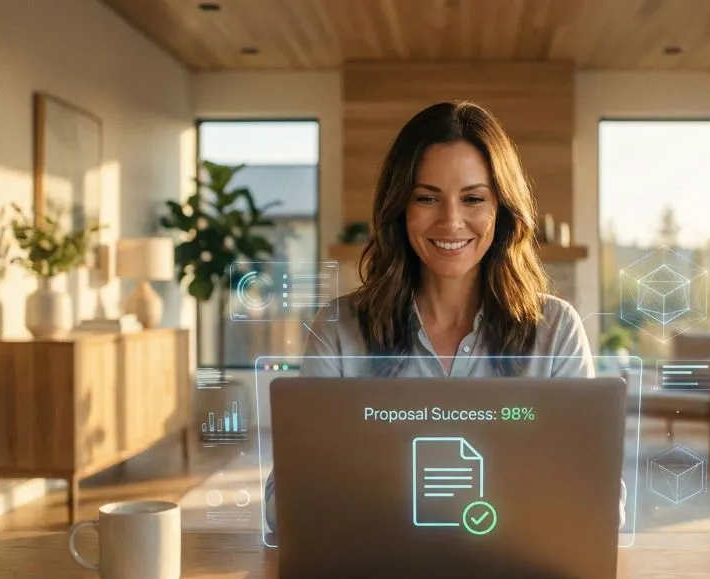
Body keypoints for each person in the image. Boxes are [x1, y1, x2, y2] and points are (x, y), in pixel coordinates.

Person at [263, 101, 625, 530]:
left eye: (473, 198)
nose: (451, 222)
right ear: (400, 208)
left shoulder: (556, 329)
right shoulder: (339, 328)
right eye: (427, 198)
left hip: (515, 565)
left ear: (501, 210)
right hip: (377, 566)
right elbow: (283, 505)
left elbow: (598, 500)